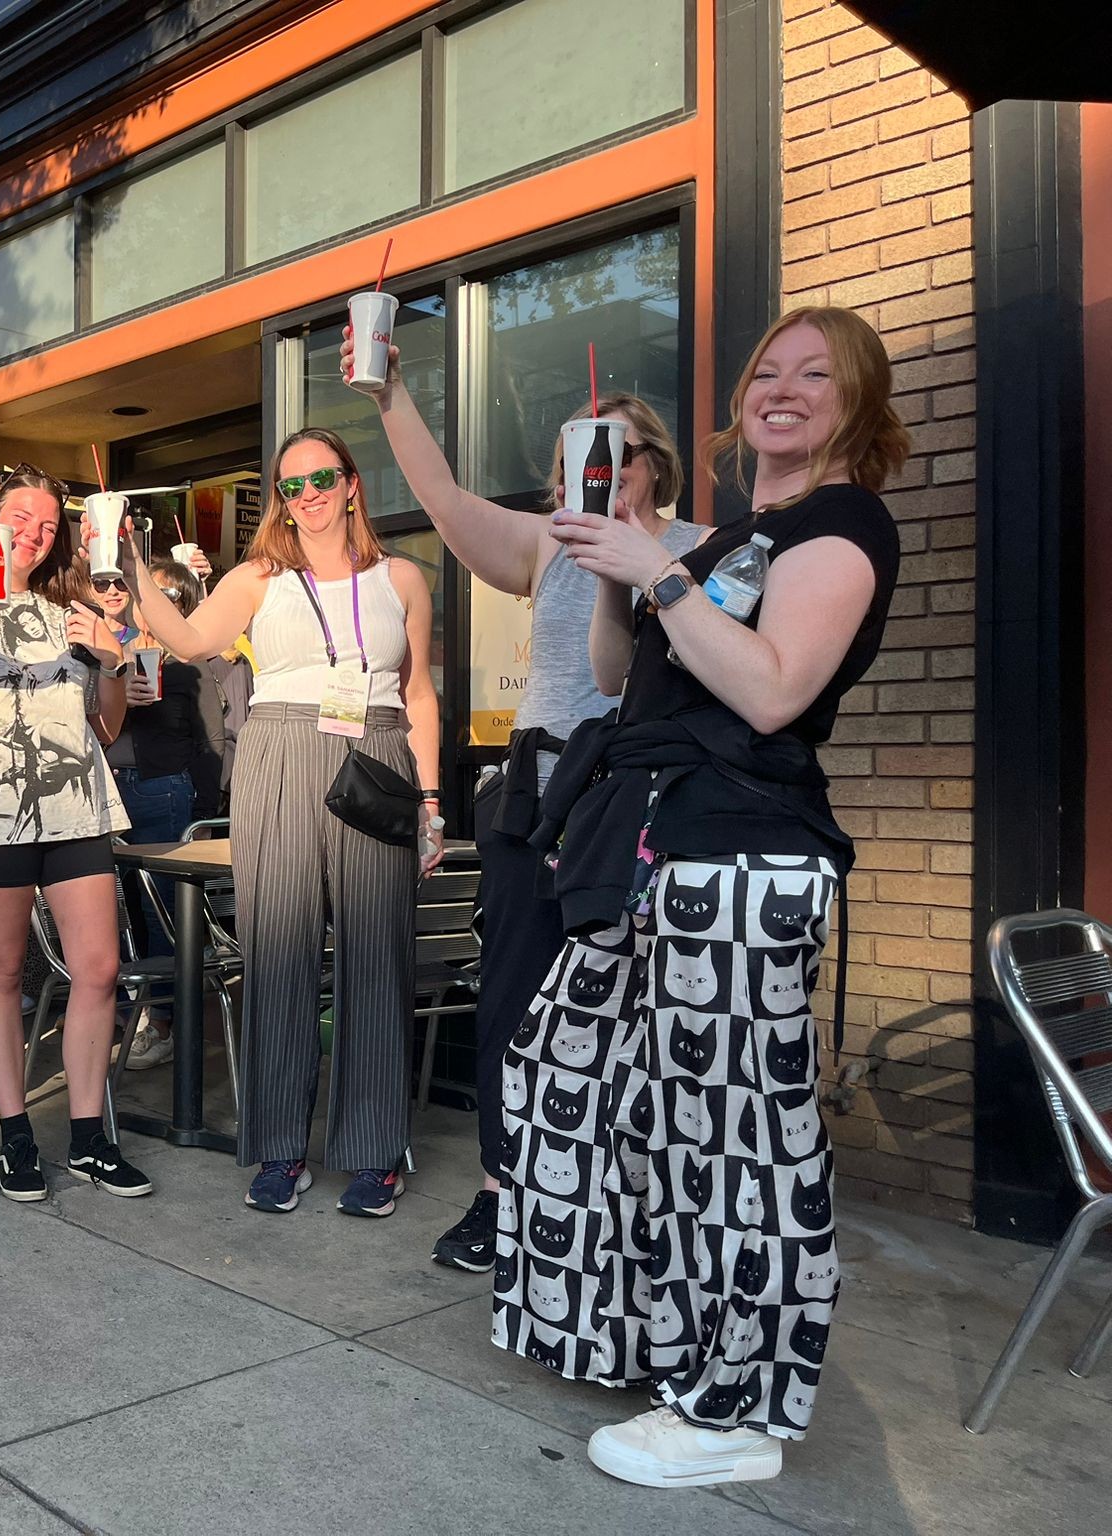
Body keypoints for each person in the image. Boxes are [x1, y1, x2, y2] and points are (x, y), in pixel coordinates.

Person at [495, 306, 909, 1488]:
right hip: (652, 849)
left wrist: (661, 572)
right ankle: (652, 1340)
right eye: (767, 371)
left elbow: (772, 693)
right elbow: (621, 678)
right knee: (573, 1080)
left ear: (856, 402)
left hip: (742, 857)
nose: (782, 388)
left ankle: (735, 1411)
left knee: (739, 1140)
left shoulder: (840, 524)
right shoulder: (738, 532)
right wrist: (616, 574)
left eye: (814, 375)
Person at [348, 327, 703, 1272]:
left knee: (636, 1013)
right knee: (513, 997)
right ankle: (503, 1191)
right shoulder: (548, 542)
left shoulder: (700, 548)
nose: (602, 467)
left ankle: (619, 1203)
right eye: (580, 452)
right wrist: (388, 396)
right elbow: (444, 499)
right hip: (538, 794)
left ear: (655, 465)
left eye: (620, 450)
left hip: (645, 804)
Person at [124, 429, 443, 1218]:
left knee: (377, 953)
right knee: (278, 951)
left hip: (377, 751)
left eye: (321, 479)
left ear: (352, 484)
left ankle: (374, 1152)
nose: (308, 496)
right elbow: (189, 640)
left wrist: (432, 804)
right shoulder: (259, 577)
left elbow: (419, 695)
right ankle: (280, 1149)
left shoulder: (402, 578)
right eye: (292, 485)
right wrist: (131, 566)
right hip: (277, 750)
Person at [0, 464, 153, 1202]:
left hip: (77, 805)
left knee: (98, 968)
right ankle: (15, 1134)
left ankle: (89, 1138)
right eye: (20, 517)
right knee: (0, 971)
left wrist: (113, 659)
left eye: (49, 525)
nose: (33, 533)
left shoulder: (76, 609)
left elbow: (107, 725)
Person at [105, 556, 226, 1069]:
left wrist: (204, 812)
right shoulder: (107, 654)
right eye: (145, 592)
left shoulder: (189, 662)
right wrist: (116, 694)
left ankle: (161, 1023)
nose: (152, 603)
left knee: (161, 913)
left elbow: (213, 740)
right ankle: (126, 1013)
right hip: (109, 791)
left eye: (169, 595)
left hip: (163, 789)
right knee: (116, 909)